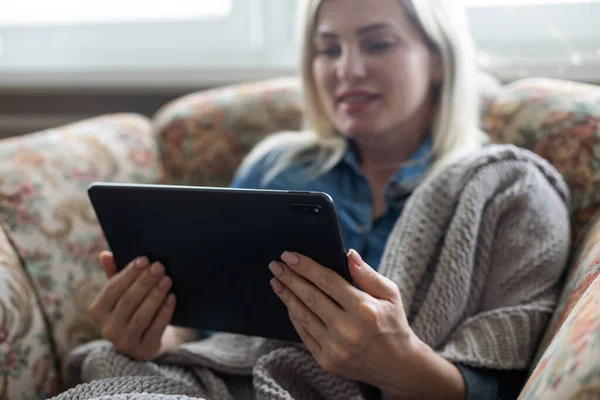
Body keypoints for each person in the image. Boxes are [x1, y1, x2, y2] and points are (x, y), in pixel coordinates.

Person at [86, 0, 570, 399]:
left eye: (378, 44)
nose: (348, 70)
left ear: (439, 58)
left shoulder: (507, 192)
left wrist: (400, 365)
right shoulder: (276, 169)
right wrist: (149, 336)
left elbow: (508, 389)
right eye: (327, 49)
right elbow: (204, 334)